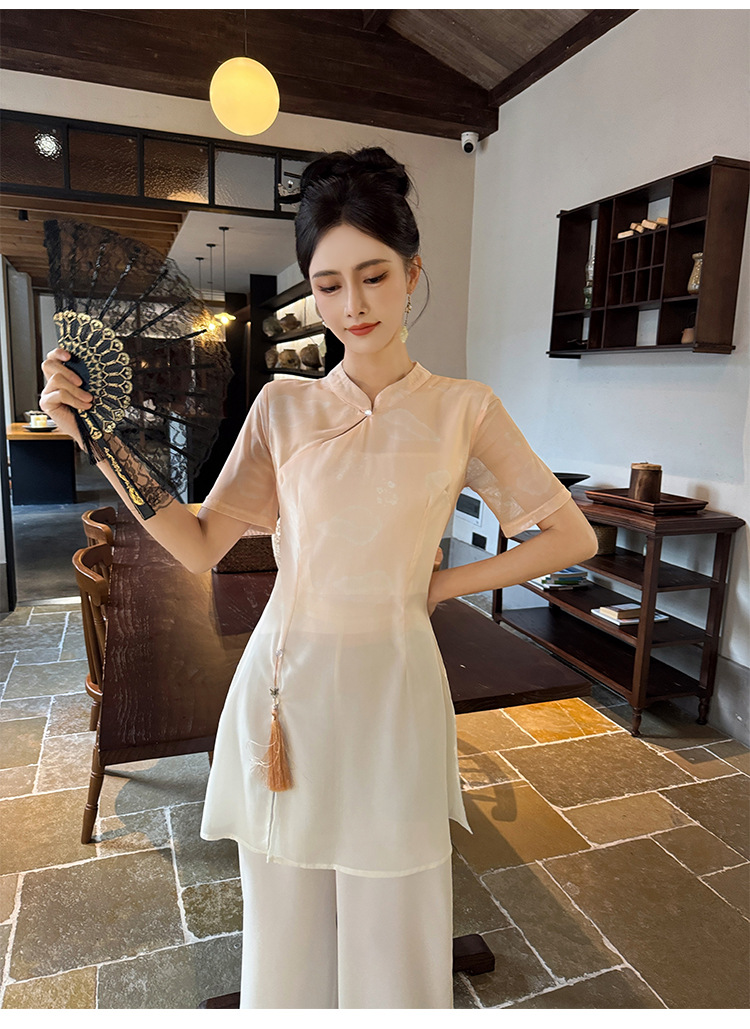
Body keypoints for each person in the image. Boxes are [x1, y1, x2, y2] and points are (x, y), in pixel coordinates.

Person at [40, 146, 599, 1009]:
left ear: (412, 274)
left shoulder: (464, 409)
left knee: (398, 924)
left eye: (374, 277)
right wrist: (97, 437)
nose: (353, 306)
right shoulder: (283, 406)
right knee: (288, 927)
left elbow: (570, 534)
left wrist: (441, 586)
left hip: (394, 696)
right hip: (284, 699)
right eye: (329, 285)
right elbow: (199, 543)